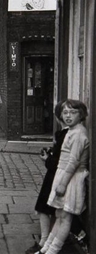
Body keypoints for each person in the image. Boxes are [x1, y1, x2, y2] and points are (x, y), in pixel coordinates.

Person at [35, 99, 89, 254]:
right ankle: (46, 248)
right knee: (59, 215)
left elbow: (73, 162)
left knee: (65, 217)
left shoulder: (79, 133)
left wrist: (63, 184)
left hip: (71, 179)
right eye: (65, 112)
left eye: (73, 112)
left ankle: (53, 250)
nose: (68, 116)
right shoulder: (71, 131)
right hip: (62, 175)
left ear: (81, 114)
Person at [25, 101, 68, 254]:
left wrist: (47, 159)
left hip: (57, 176)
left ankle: (45, 242)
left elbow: (61, 161)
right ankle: (47, 241)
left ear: (56, 117)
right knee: (51, 209)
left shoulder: (66, 135)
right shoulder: (65, 133)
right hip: (58, 175)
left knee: (44, 207)